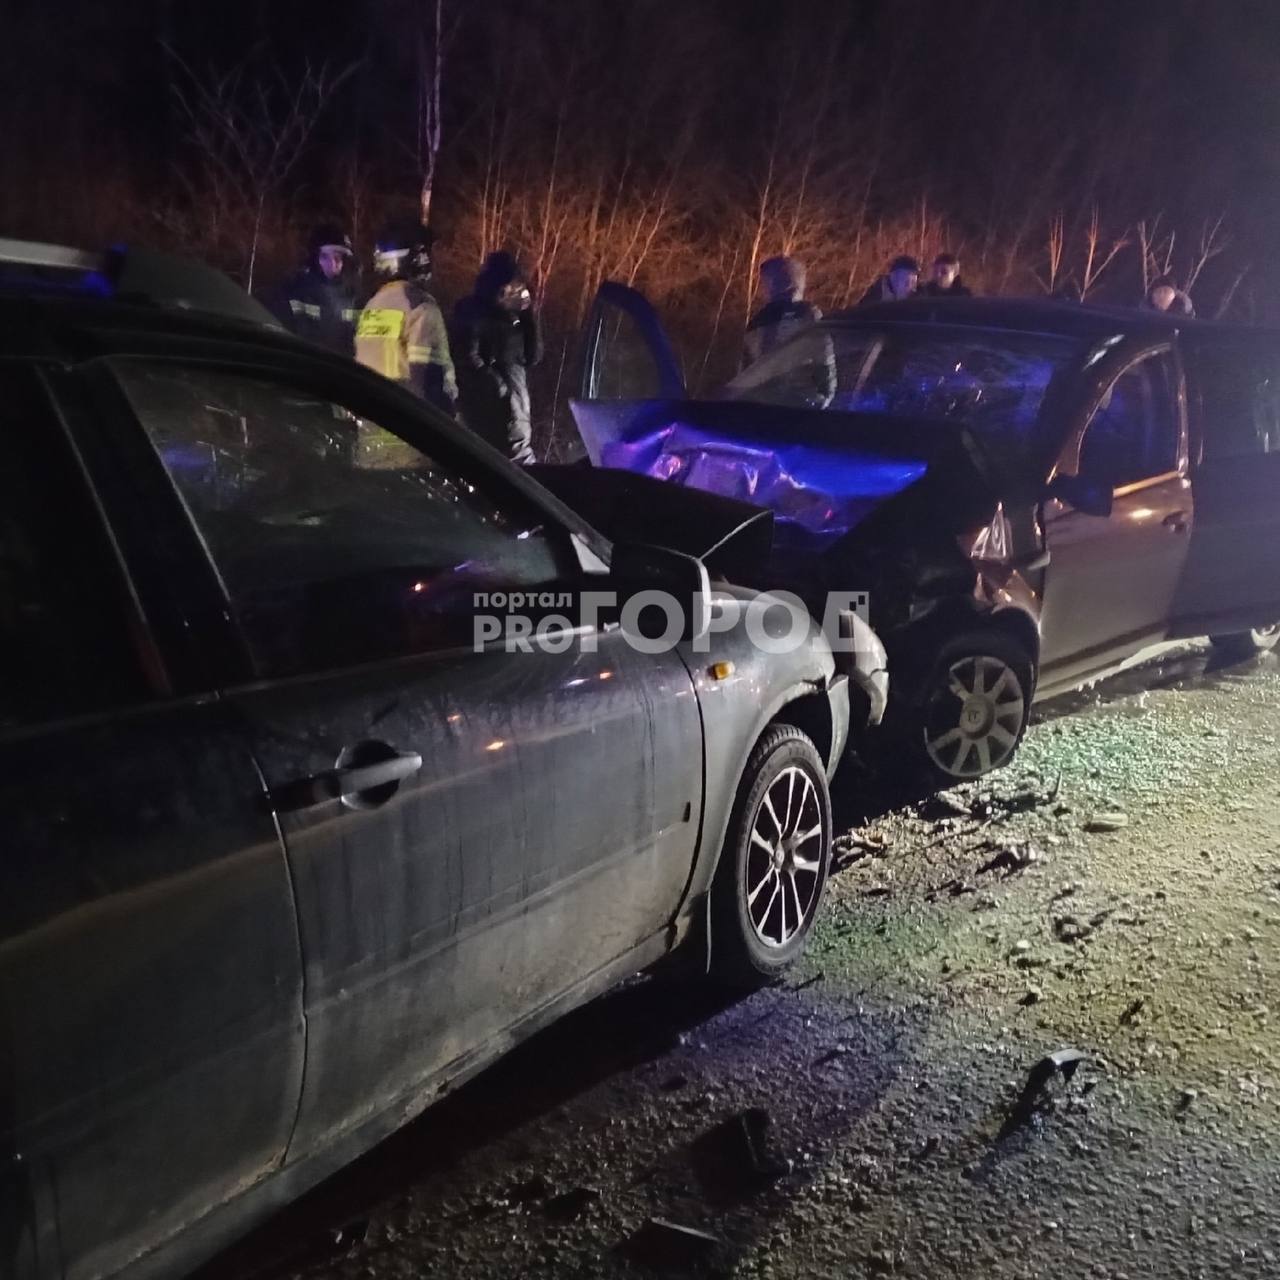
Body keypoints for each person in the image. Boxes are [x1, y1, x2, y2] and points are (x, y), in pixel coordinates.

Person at [354, 222, 457, 415]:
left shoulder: (372, 306)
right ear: (418, 259)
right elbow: (427, 380)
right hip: (407, 428)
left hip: (370, 424)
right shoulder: (421, 307)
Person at [452, 252, 541, 465]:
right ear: (501, 288)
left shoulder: (514, 320)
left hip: (514, 411)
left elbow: (533, 356)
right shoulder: (474, 313)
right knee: (522, 471)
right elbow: (468, 357)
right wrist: (500, 389)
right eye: (515, 286)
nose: (520, 292)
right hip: (495, 414)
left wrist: (529, 316)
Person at [268, 223, 359, 355]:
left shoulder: (355, 297)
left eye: (338, 257)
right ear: (313, 258)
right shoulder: (294, 292)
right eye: (325, 257)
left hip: (342, 372)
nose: (332, 264)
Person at [742, 255, 822, 367]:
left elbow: (747, 368)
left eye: (766, 282)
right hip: (798, 382)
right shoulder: (809, 313)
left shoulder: (760, 320)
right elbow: (823, 357)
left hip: (773, 383)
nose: (763, 287)